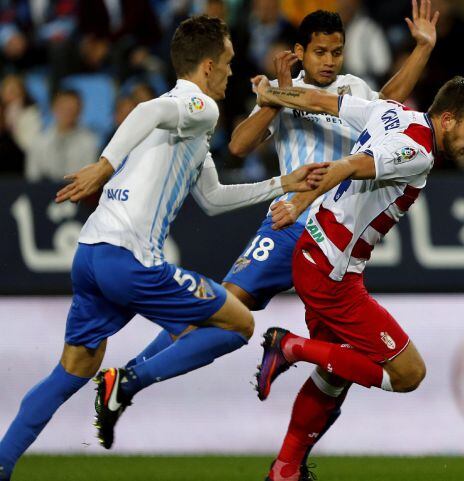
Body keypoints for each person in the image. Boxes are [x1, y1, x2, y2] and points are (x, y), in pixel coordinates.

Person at [116, 5, 437, 476]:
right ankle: (132, 375)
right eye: (320, 52)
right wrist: (272, 99)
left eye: (337, 52)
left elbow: (388, 99)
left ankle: (289, 466)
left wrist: (423, 48)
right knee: (223, 308)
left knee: (336, 370)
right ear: (301, 52)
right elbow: (240, 145)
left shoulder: (353, 90)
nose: (329, 60)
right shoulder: (282, 93)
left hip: (334, 237)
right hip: (288, 226)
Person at [0, 15, 324, 480]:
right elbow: (146, 111)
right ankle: (126, 381)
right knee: (238, 323)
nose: (232, 73)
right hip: (130, 261)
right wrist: (104, 165)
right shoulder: (196, 106)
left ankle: (3, 462)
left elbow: (212, 200)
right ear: (209, 66)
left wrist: (282, 184)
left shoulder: (191, 128)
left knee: (72, 369)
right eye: (229, 64)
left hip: (91, 253)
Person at [251, 75, 464, 481]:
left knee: (334, 375)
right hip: (332, 275)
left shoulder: (392, 113)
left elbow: (319, 101)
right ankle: (289, 346)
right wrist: (298, 203)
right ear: (449, 119)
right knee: (408, 373)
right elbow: (348, 165)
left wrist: (270, 92)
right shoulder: (416, 151)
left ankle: (285, 469)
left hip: (314, 256)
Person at [25, 89, 99, 182]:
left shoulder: (90, 142)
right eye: (63, 108)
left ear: (80, 111)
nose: (67, 113)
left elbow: (89, 179)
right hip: (43, 193)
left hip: (77, 193)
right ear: (53, 108)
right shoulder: (39, 141)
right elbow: (32, 177)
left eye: (72, 109)